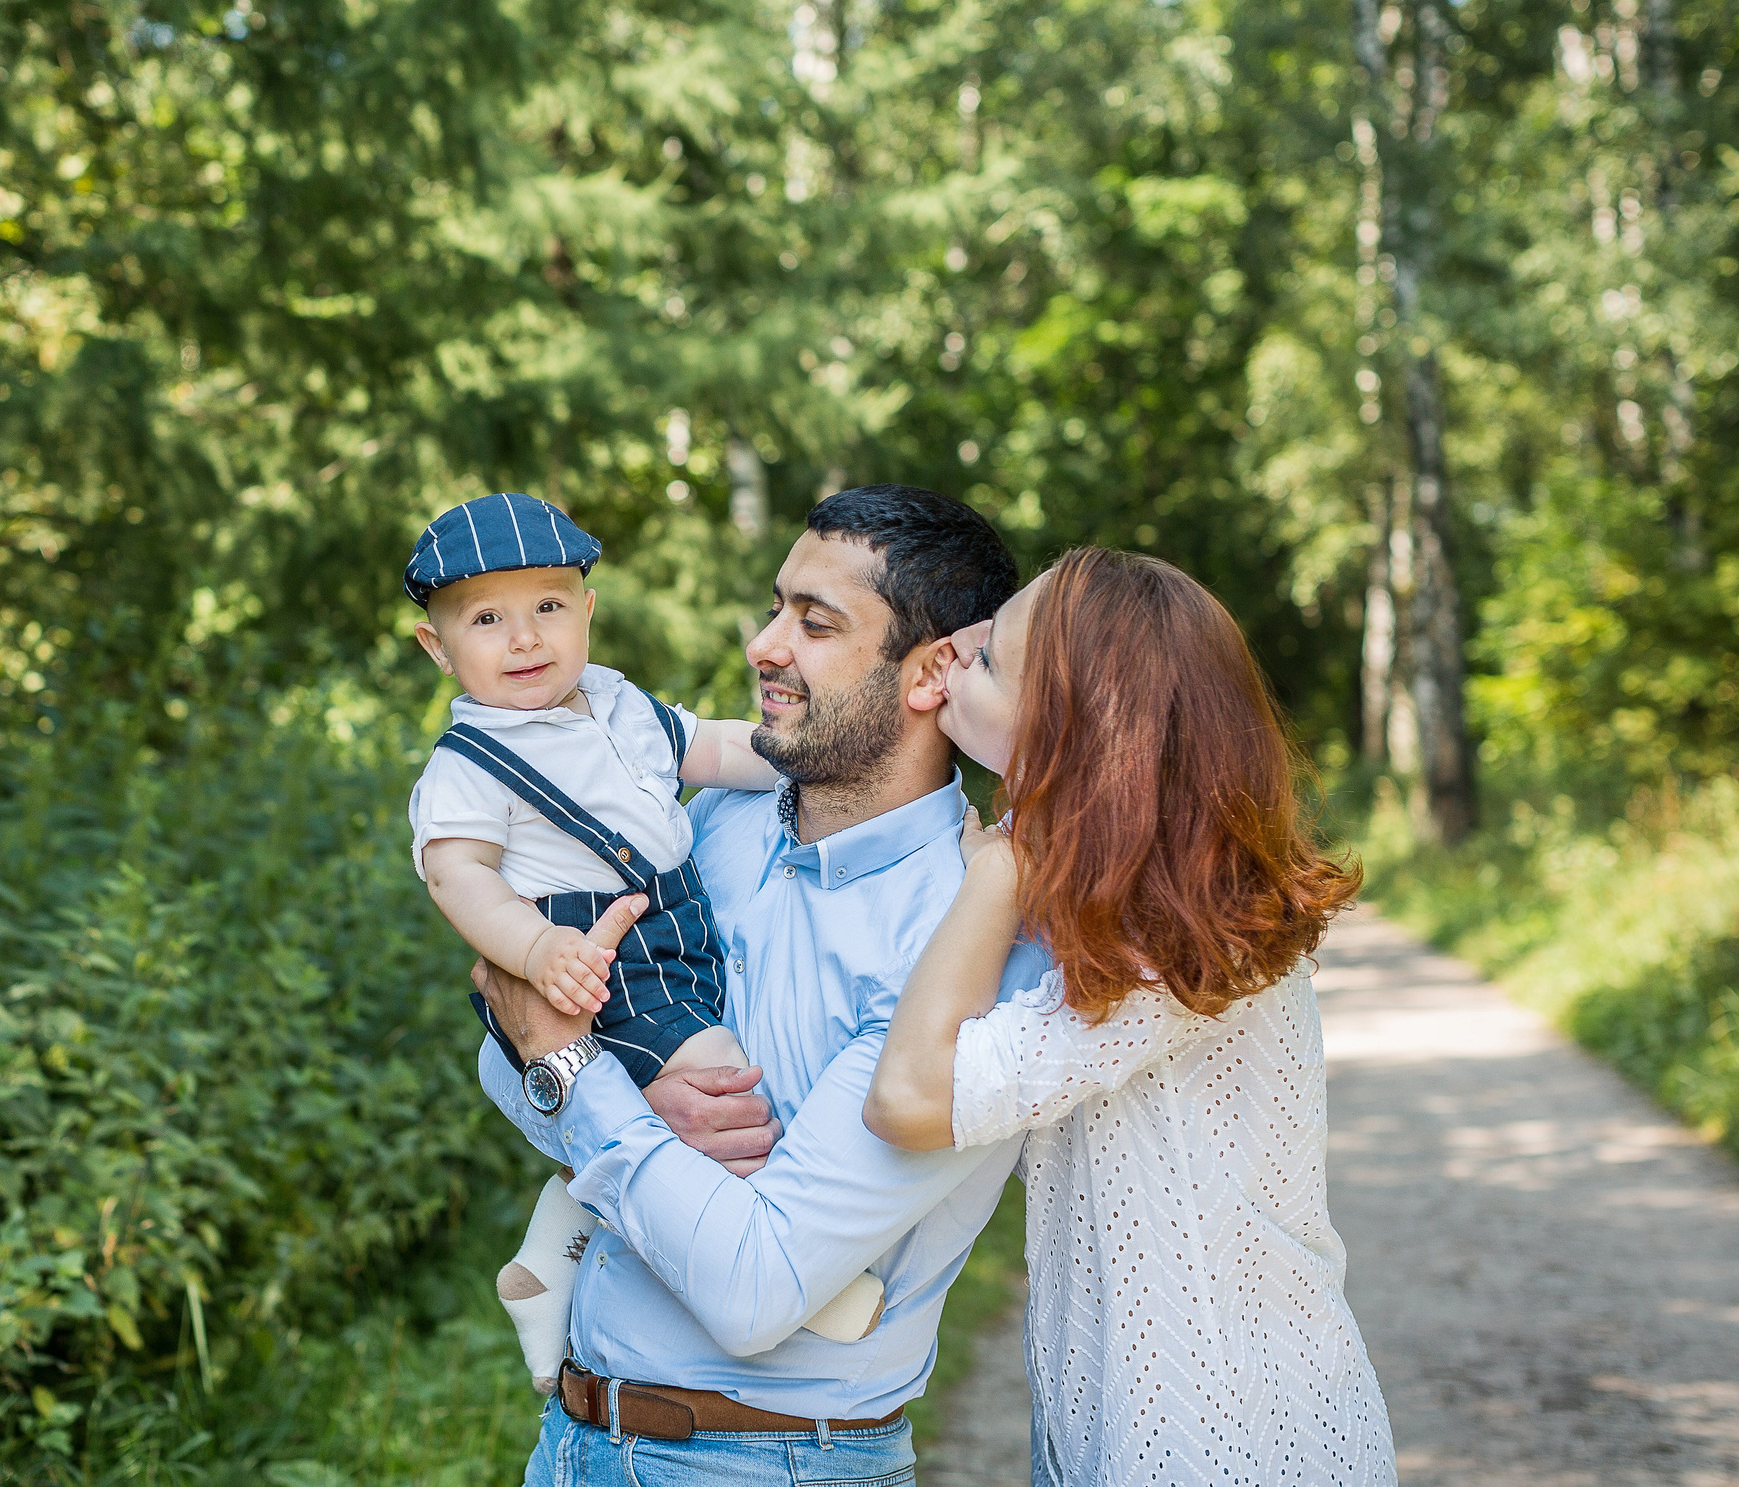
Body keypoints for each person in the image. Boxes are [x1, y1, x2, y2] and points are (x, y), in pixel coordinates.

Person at [472, 484, 1041, 1483]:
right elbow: (498, 1039)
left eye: (814, 624)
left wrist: (579, 1070)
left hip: (770, 1461)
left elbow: (753, 1288)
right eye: (777, 606)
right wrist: (621, 1091)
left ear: (932, 671)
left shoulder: (968, 942)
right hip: (568, 1437)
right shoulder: (708, 821)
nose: (763, 645)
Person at [863, 547, 1398, 1486]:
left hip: (1226, 1446)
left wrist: (997, 867)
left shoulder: (1174, 954)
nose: (956, 645)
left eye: (987, 657)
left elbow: (908, 1098)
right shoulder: (1130, 898)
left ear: (1067, 735)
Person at [403, 491, 887, 1391]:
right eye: (486, 619)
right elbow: (457, 875)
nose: (525, 638)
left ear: (587, 611)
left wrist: (808, 756)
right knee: (724, 1090)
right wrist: (537, 950)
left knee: (651, 1118)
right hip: (599, 955)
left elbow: (711, 750)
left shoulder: (617, 702)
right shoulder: (469, 763)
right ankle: (798, 1271)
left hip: (670, 928)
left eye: (549, 606)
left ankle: (550, 1256)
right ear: (438, 647)